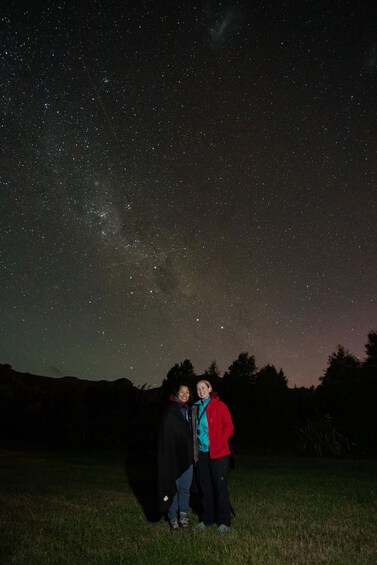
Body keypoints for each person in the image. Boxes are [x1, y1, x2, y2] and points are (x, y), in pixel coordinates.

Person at [192, 379, 234, 533]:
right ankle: (206, 519)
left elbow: (229, 426)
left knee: (220, 487)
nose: (201, 390)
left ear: (210, 389)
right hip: (202, 454)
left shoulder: (219, 405)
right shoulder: (195, 407)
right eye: (198, 389)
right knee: (205, 488)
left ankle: (224, 522)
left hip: (219, 454)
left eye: (203, 387)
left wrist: (219, 443)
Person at [157, 383, 194, 530]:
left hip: (188, 456)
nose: (185, 394)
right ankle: (173, 518)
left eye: (187, 392)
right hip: (174, 458)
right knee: (175, 488)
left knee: (185, 488)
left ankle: (183, 517)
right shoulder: (171, 410)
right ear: (177, 393)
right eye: (182, 392)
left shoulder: (190, 411)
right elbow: (167, 433)